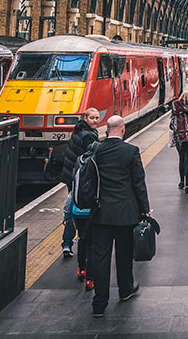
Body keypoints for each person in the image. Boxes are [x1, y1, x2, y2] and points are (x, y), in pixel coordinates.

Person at [86, 115, 150, 317]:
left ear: (107, 130)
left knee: (101, 258)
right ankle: (125, 290)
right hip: (125, 213)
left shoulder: (97, 150)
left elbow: (90, 179)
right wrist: (145, 208)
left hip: (101, 213)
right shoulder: (131, 151)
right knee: (124, 255)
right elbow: (138, 182)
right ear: (122, 129)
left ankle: (99, 304)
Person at [59, 108, 100, 288]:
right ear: (86, 118)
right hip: (81, 181)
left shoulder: (78, 130)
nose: (95, 120)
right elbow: (94, 156)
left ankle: (74, 255)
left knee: (75, 218)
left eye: (97, 118)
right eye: (92, 117)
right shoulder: (88, 137)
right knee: (87, 231)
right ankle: (89, 274)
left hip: (72, 176)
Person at [169, 94, 188, 193]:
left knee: (181, 159)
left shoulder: (175, 111)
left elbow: (171, 126)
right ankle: (187, 186)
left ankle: (181, 182)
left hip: (179, 139)